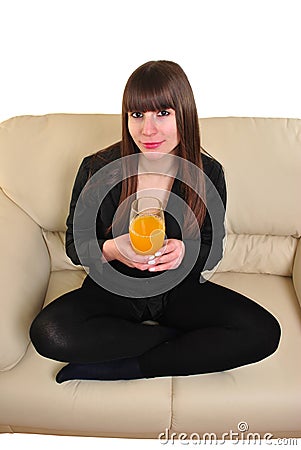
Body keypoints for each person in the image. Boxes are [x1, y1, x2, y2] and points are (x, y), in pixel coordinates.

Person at [30, 60, 281, 383]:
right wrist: (111, 249)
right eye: (137, 115)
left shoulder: (208, 173)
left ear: (183, 115)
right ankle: (178, 341)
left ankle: (127, 366)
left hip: (179, 289)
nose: (147, 130)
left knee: (263, 332)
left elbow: (212, 249)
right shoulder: (97, 167)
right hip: (112, 288)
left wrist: (184, 253)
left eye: (162, 113)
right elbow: (74, 247)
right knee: (48, 333)